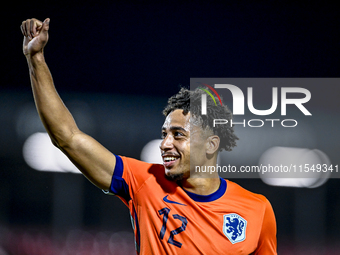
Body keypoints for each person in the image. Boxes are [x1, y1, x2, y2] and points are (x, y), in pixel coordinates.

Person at [21, 18, 277, 254]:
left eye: (178, 135)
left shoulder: (257, 210)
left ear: (211, 144)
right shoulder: (143, 181)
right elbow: (67, 137)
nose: (165, 144)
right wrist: (36, 59)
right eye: (164, 134)